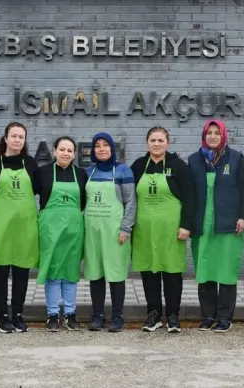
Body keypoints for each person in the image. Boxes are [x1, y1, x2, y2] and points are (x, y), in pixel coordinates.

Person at [188, 119, 244, 333]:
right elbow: (189, 196)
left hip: (228, 225)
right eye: (209, 132)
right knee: (204, 271)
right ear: (204, 135)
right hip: (202, 225)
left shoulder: (235, 158)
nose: (213, 136)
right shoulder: (194, 160)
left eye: (217, 132)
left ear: (223, 135)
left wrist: (243, 217)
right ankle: (208, 316)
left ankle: (224, 317)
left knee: (225, 271)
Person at [130, 126, 195, 333]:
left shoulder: (179, 166)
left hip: (171, 230)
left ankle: (173, 315)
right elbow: (129, 198)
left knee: (172, 272)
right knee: (149, 271)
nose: (156, 144)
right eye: (153, 140)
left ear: (168, 143)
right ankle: (153, 314)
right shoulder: (139, 166)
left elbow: (191, 198)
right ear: (147, 143)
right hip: (144, 229)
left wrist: (186, 225)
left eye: (160, 140)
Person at [0, 122, 39, 333]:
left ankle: (18, 314)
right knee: (1, 271)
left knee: (22, 271)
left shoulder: (30, 164)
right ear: (5, 139)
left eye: (21, 137)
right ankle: (3, 316)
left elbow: (42, 190)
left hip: (24, 228)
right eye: (14, 136)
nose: (17, 140)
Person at [83, 132, 136, 333]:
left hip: (115, 232)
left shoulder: (123, 171)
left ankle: (117, 316)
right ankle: (97, 315)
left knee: (115, 274)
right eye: (98, 145)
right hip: (93, 231)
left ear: (112, 149)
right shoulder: (88, 172)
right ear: (93, 150)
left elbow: (131, 203)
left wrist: (125, 228)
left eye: (106, 145)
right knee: (95, 273)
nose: (102, 149)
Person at [35, 136, 87, 332]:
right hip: (50, 228)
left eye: (69, 150)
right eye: (62, 149)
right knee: (53, 270)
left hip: (74, 228)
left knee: (71, 271)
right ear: (54, 151)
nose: (66, 153)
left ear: (74, 154)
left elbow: (83, 202)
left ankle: (71, 313)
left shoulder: (82, 174)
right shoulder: (42, 173)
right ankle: (53, 314)